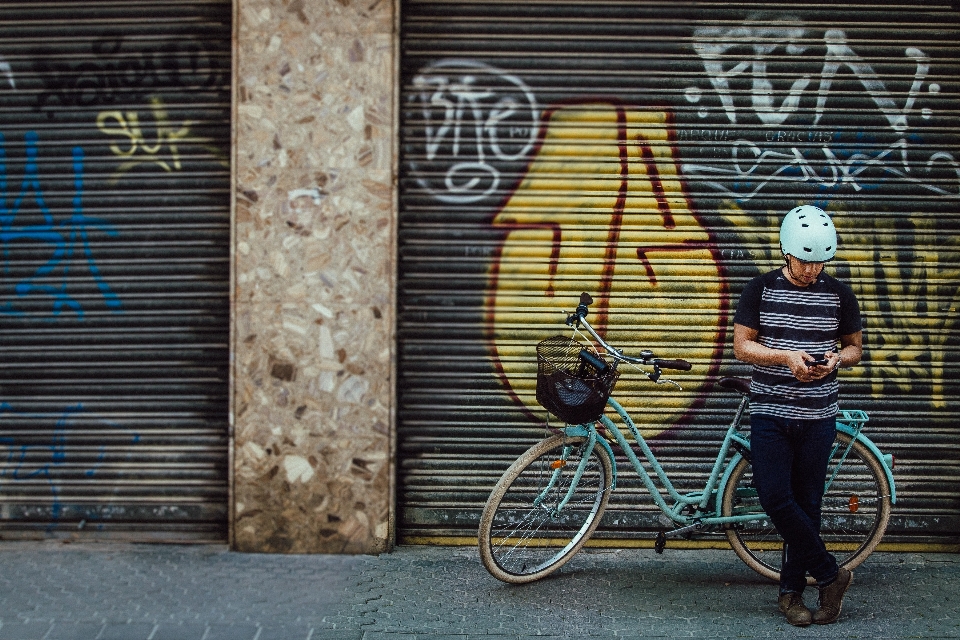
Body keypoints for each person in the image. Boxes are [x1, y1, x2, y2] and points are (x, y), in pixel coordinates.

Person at [732, 205, 863, 627]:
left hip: (819, 414)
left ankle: (791, 595)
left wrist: (834, 361)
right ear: (786, 252)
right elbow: (742, 347)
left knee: (808, 503)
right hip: (770, 409)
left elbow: (855, 349)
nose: (811, 269)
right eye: (804, 259)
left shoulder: (840, 294)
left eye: (819, 260)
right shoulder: (760, 289)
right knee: (773, 495)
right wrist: (785, 356)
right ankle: (829, 573)